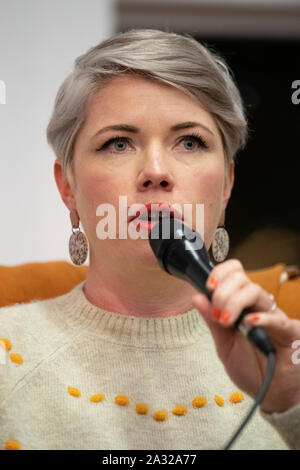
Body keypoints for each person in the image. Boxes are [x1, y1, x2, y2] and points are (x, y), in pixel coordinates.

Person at [1, 28, 300, 451]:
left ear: (227, 184)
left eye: (190, 142)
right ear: (67, 186)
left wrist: (289, 405)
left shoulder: (288, 357)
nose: (156, 170)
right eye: (119, 143)